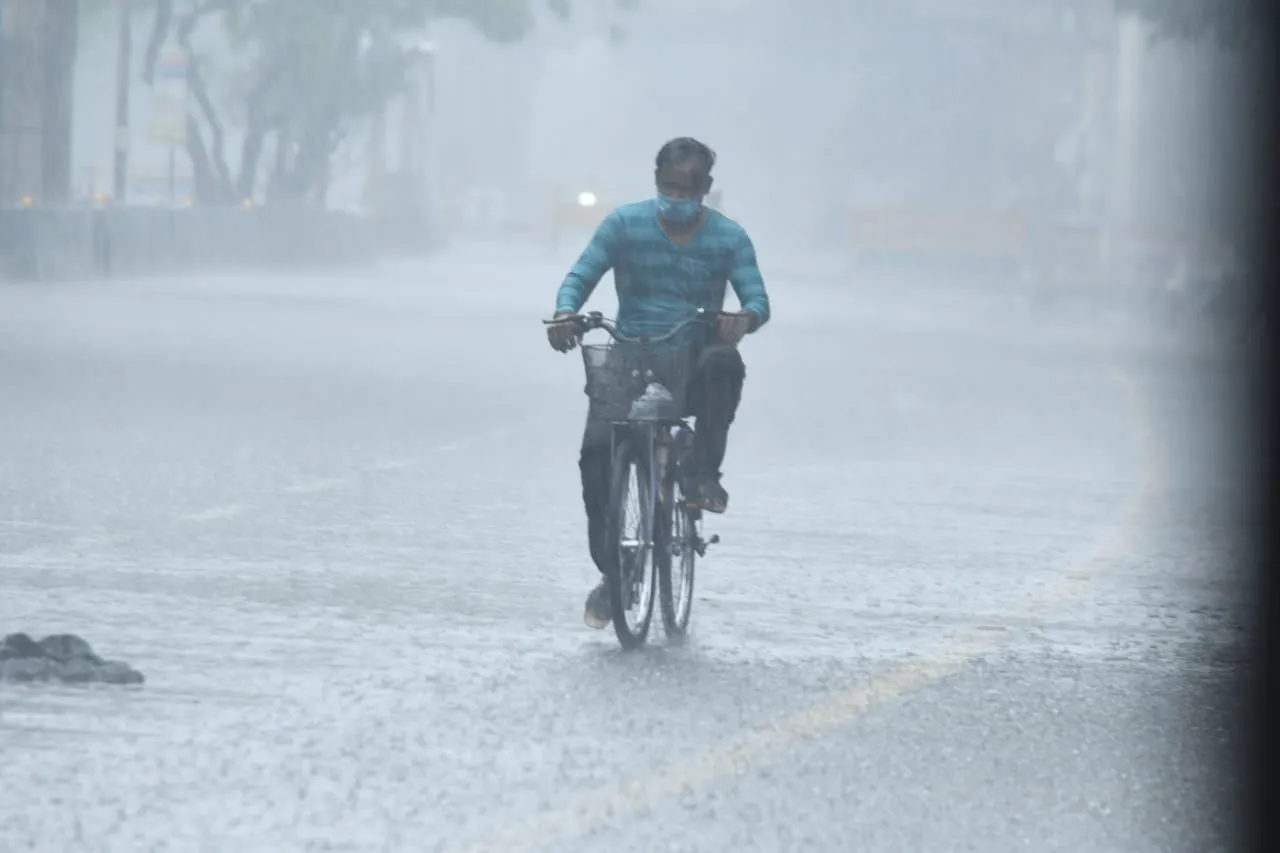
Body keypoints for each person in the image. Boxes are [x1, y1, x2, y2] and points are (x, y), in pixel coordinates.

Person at [544, 137, 771, 629]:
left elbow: (756, 296)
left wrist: (744, 319)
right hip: (632, 359)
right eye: (668, 187)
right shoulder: (624, 225)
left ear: (705, 189)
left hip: (694, 359)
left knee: (725, 365)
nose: (675, 197)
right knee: (597, 457)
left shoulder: (729, 238)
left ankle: (703, 475)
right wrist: (567, 312)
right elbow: (582, 273)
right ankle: (614, 571)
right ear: (656, 183)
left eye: (686, 189)